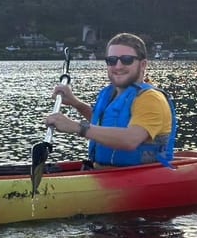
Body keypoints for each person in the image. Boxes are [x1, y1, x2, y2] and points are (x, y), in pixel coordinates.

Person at [44, 32, 177, 167]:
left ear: (143, 64)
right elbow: (104, 122)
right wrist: (76, 103)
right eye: (112, 60)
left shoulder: (151, 99)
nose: (118, 66)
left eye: (127, 59)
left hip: (139, 177)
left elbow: (131, 139)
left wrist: (77, 127)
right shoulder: (110, 94)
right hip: (103, 171)